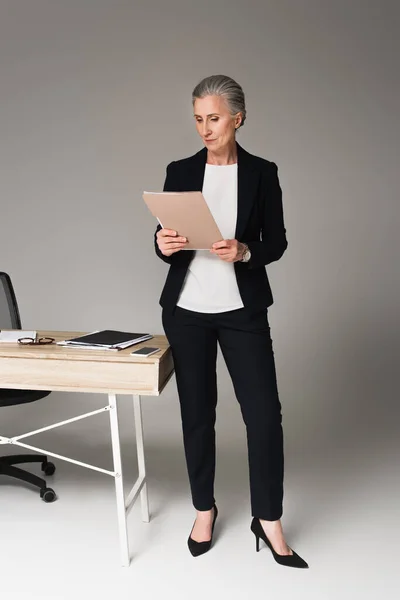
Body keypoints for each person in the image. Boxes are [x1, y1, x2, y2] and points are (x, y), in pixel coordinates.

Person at [154, 74, 308, 568]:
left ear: (238, 118)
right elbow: (166, 239)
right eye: (198, 118)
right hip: (186, 312)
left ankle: (268, 518)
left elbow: (277, 242)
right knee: (197, 416)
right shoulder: (179, 169)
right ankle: (204, 509)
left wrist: (245, 250)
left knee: (264, 417)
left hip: (242, 311)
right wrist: (162, 243)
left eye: (214, 118)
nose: (205, 128)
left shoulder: (263, 172)